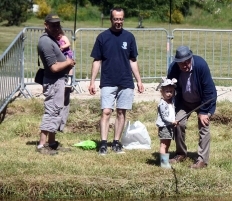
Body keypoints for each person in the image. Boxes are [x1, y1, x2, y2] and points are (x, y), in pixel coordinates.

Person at [88, 7, 144, 155]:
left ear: (123, 19)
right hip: (108, 80)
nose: (118, 22)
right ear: (111, 19)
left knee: (121, 112)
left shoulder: (129, 37)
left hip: (125, 81)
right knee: (106, 111)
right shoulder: (102, 37)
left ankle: (116, 143)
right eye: (116, 19)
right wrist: (92, 81)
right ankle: (104, 144)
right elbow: (97, 60)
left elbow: (133, 60)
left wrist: (139, 80)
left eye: (121, 19)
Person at [167, 45, 217, 169]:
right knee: (178, 123)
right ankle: (180, 153)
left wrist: (204, 111)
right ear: (177, 62)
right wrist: (169, 105)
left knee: (203, 125)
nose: (185, 66)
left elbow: (209, 91)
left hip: (203, 101)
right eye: (182, 63)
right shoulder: (173, 68)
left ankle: (202, 160)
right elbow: (169, 87)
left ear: (191, 58)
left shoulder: (201, 65)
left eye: (187, 62)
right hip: (184, 102)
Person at [36, 13, 76, 155]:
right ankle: (42, 145)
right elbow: (54, 67)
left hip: (59, 81)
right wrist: (69, 62)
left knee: (57, 111)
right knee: (51, 111)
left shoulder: (53, 39)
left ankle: (52, 143)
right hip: (53, 82)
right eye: (52, 24)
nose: (56, 27)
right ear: (46, 25)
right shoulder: (46, 42)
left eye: (57, 24)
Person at [156, 78, 178, 169]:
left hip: (170, 126)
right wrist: (172, 121)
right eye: (167, 91)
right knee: (163, 145)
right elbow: (164, 116)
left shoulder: (172, 101)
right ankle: (163, 163)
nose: (169, 93)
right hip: (164, 126)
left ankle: (165, 160)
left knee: (168, 144)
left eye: (171, 91)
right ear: (162, 92)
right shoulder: (162, 104)